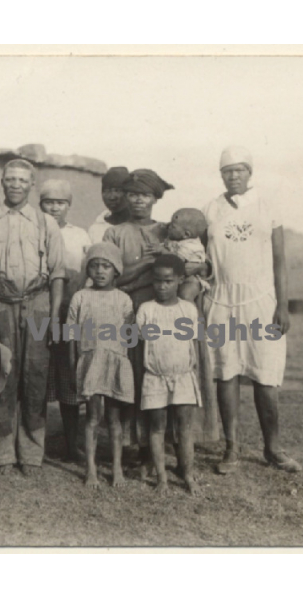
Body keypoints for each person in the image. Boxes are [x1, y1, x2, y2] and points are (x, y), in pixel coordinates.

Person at [203, 146, 301, 475]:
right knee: (226, 373)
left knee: (265, 374)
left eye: (239, 170)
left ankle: (272, 448)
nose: (233, 176)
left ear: (250, 173)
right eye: (227, 171)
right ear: (221, 175)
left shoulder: (267, 207)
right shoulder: (210, 210)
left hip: (262, 302)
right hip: (221, 301)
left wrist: (282, 306)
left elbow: (279, 261)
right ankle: (230, 448)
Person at [0, 159, 65, 477]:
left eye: (22, 181)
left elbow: (57, 275)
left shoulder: (46, 223)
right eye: (10, 179)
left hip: (38, 304)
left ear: (31, 185)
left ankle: (32, 455)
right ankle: (3, 456)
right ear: (1, 182)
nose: (15, 185)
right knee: (3, 379)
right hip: (0, 304)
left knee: (36, 379)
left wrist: (52, 317)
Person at [102, 169, 175, 469]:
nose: (138, 201)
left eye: (144, 195)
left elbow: (175, 271)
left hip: (157, 315)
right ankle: (128, 443)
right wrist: (145, 265)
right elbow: (111, 279)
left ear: (155, 198)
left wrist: (165, 254)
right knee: (126, 374)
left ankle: (154, 444)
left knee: (153, 374)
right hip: (124, 313)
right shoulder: (114, 233)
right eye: (133, 194)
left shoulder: (166, 231)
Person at [67, 242, 135, 488]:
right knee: (93, 417)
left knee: (114, 419)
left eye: (106, 266)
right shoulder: (80, 297)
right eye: (94, 266)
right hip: (90, 362)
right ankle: (91, 470)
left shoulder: (124, 300)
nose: (99, 271)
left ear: (116, 270)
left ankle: (117, 468)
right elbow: (72, 335)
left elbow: (129, 337)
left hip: (115, 361)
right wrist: (75, 363)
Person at [136, 254, 201, 494]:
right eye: (157, 281)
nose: (162, 286)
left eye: (169, 281)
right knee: (157, 426)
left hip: (183, 377)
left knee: (184, 427)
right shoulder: (146, 310)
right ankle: (162, 477)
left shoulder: (188, 309)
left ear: (180, 280)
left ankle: (188, 474)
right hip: (154, 377)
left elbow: (191, 345)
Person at [40, 178, 91, 462]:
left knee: (69, 376)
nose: (54, 208)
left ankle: (72, 444)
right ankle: (37, 443)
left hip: (70, 310)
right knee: (39, 375)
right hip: (40, 309)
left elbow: (87, 273)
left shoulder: (80, 235)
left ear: (69, 206)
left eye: (60, 203)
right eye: (49, 202)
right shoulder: (32, 229)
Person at [143, 208, 210, 304]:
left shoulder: (192, 246)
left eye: (172, 226)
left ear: (186, 234)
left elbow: (178, 260)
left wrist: (162, 251)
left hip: (192, 279)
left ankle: (193, 315)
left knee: (185, 296)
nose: (169, 226)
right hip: (177, 277)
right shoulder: (176, 238)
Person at [87, 166, 131, 244]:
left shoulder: (141, 226)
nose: (111, 197)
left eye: (117, 191)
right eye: (106, 191)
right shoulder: (96, 229)